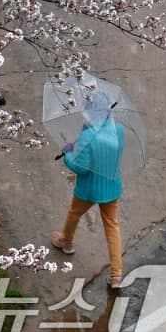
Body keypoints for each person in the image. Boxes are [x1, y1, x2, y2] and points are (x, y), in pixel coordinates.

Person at [51, 92, 126, 288]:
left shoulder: (87, 136)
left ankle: (66, 242)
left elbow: (80, 168)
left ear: (91, 113)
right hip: (111, 186)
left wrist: (68, 153)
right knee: (112, 226)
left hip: (89, 189)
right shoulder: (119, 130)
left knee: (74, 213)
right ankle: (116, 274)